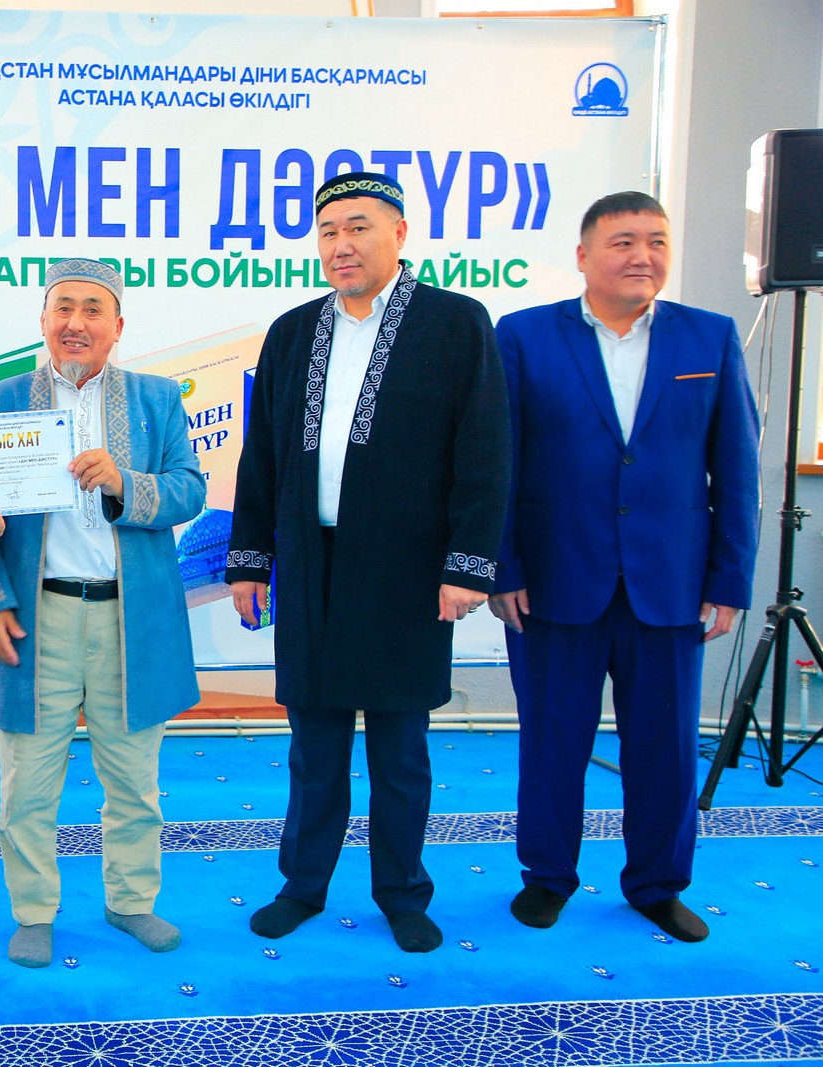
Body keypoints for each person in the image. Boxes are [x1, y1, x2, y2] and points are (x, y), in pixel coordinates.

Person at [225, 172, 510, 954]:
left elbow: (485, 450)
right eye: (328, 232)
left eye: (358, 227)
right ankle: (302, 885)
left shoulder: (455, 322)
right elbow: (261, 455)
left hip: (407, 571)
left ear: (400, 234)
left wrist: (467, 565)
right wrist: (250, 560)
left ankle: (403, 891)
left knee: (399, 749)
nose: (341, 245)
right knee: (314, 746)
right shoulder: (292, 332)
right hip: (309, 566)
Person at [490, 191, 759, 942]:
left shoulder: (709, 337)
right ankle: (547, 876)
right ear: (583, 256)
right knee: (552, 741)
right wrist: (502, 567)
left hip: (671, 582)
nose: (643, 255)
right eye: (624, 241)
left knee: (665, 747)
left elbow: (737, 469)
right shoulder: (524, 335)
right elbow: (498, 463)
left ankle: (657, 884)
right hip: (552, 582)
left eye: (657, 241)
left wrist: (729, 578)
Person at [0, 259, 206, 968]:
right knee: (27, 786)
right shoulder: (1, 400)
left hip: (134, 621)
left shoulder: (157, 398)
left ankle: (131, 901)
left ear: (117, 326)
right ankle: (33, 912)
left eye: (93, 309)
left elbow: (190, 491)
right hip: (40, 621)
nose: (76, 322)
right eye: (62, 307)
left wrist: (126, 481)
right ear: (43, 321)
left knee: (135, 783)